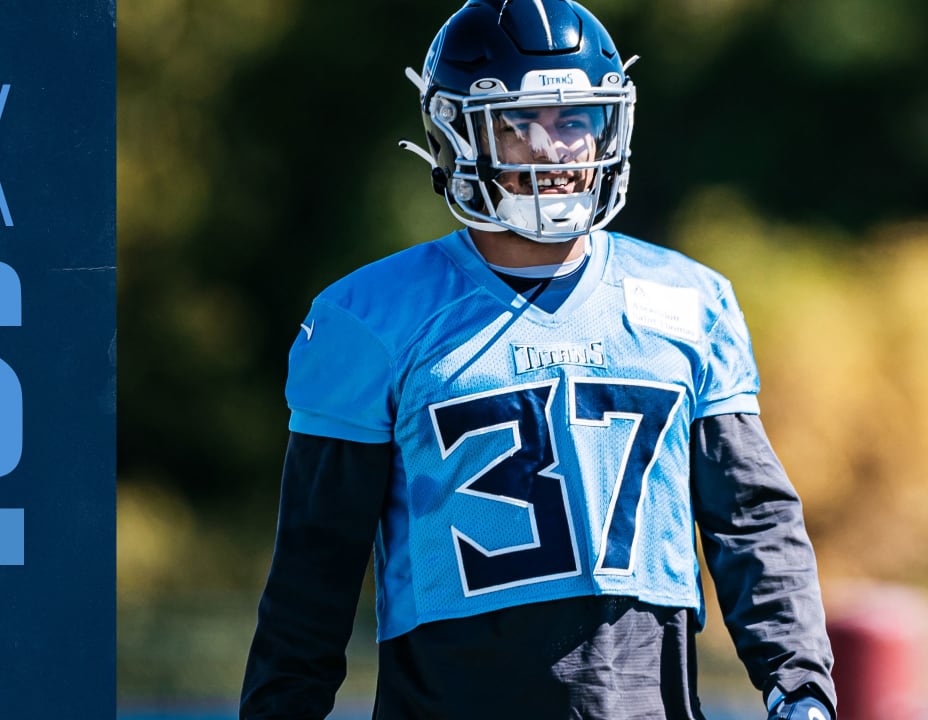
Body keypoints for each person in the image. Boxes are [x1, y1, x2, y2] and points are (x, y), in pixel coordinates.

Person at [240, 0, 837, 718]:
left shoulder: (691, 303)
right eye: (519, 122)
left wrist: (799, 681)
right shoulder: (369, 319)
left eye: (574, 121)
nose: (554, 148)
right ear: (455, 133)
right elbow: (315, 569)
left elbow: (750, 520)